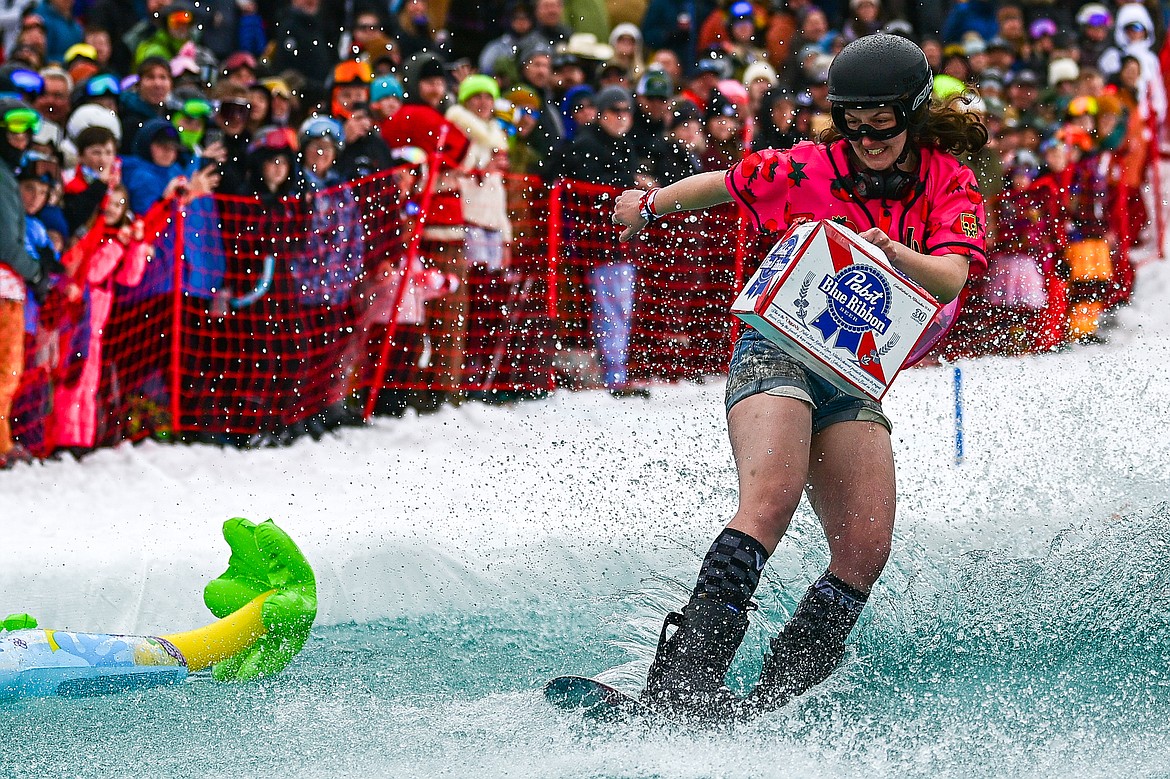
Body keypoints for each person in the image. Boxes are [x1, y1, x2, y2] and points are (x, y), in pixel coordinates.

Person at [611, 34, 989, 719]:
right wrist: (649, 205)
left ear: (914, 112)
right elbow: (723, 186)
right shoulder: (811, 164)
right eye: (853, 122)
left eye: (884, 122)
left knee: (866, 549)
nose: (868, 137)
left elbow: (953, 273)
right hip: (778, 348)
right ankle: (681, 684)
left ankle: (774, 698)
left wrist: (892, 249)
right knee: (773, 497)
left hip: (853, 376)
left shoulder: (948, 180)